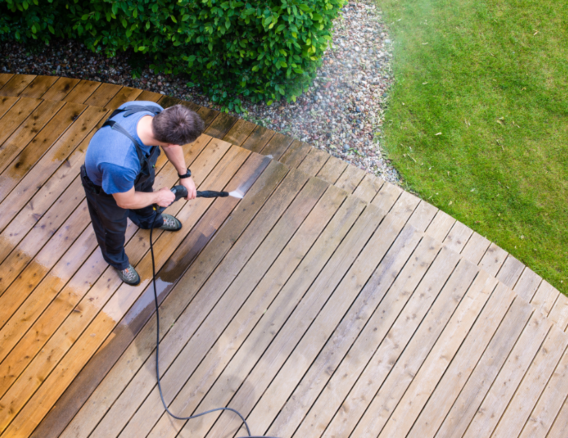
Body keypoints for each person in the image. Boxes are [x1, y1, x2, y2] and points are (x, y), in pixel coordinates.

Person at [80, 101, 205, 286]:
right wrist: (158, 197)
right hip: (106, 188)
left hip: (138, 172)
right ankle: (117, 261)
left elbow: (170, 146)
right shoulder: (120, 162)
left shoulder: (155, 112)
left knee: (146, 196)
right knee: (112, 229)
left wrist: (184, 175)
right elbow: (125, 201)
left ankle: (149, 221)